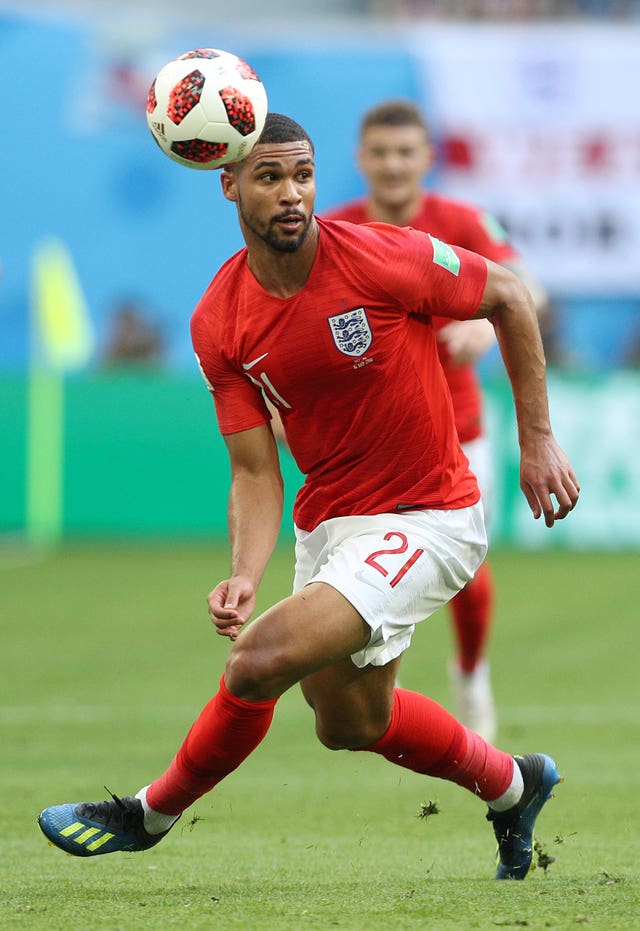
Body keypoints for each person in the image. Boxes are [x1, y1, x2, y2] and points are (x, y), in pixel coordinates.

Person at [38, 114, 579, 880]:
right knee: (352, 722)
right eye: (269, 178)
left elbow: (512, 297)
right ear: (228, 184)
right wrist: (244, 571)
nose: (291, 194)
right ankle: (515, 785)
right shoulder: (218, 321)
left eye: (303, 175)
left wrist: (536, 439)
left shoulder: (380, 255)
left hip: (430, 515)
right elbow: (257, 471)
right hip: (331, 523)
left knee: (258, 659)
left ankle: (144, 813)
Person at [322, 100, 549, 741]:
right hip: (368, 448)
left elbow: (526, 288)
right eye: (380, 153)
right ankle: (370, 701)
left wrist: (482, 322)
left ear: (426, 158)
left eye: (405, 152)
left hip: (459, 435)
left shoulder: (461, 221)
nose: (393, 165)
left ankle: (471, 676)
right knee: (354, 581)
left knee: (467, 575)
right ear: (361, 159)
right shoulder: (333, 231)